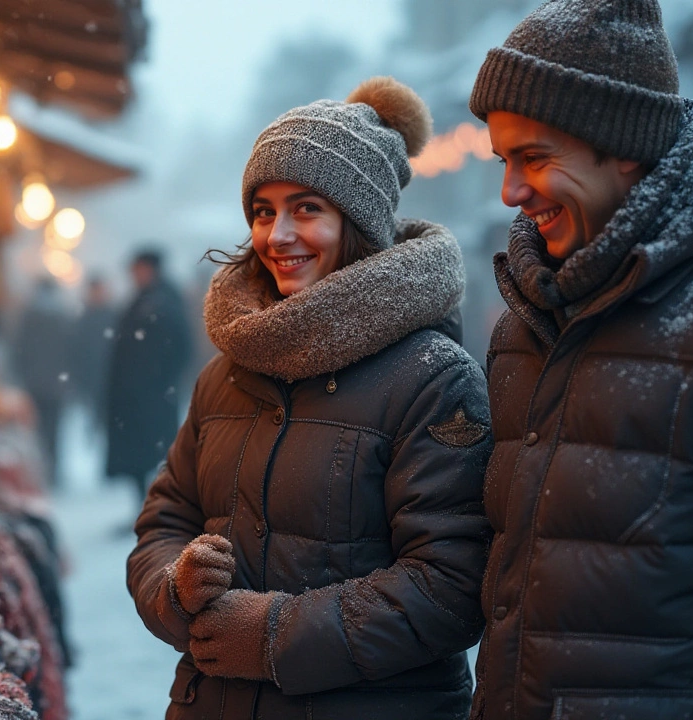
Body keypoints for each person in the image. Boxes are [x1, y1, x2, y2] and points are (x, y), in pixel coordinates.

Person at [127, 77, 492, 719]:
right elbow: (164, 521)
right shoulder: (227, 375)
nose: (278, 236)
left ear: (358, 223)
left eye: (306, 209)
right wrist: (175, 589)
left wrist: (275, 636)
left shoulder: (433, 377)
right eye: (263, 211)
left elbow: (452, 583)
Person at [468, 2, 693, 718]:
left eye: (535, 158)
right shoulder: (527, 324)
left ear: (625, 146)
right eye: (505, 161)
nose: (511, 192)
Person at [104, 248, 191, 504]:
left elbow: (180, 348)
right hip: (137, 395)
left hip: (152, 396)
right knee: (140, 458)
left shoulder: (163, 301)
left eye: (138, 270)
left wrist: (161, 382)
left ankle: (161, 509)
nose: (134, 275)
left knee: (158, 455)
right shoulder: (143, 299)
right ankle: (146, 508)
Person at [12, 276, 74, 488]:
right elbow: (72, 351)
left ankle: (40, 471)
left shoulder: (29, 316)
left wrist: (21, 375)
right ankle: (54, 469)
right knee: (54, 429)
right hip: (57, 383)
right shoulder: (63, 316)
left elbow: (19, 349)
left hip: (35, 382)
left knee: (35, 430)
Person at [71, 275, 115, 439]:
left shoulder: (110, 315)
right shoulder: (85, 316)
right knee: (92, 411)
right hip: (90, 373)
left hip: (106, 373)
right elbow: (77, 347)